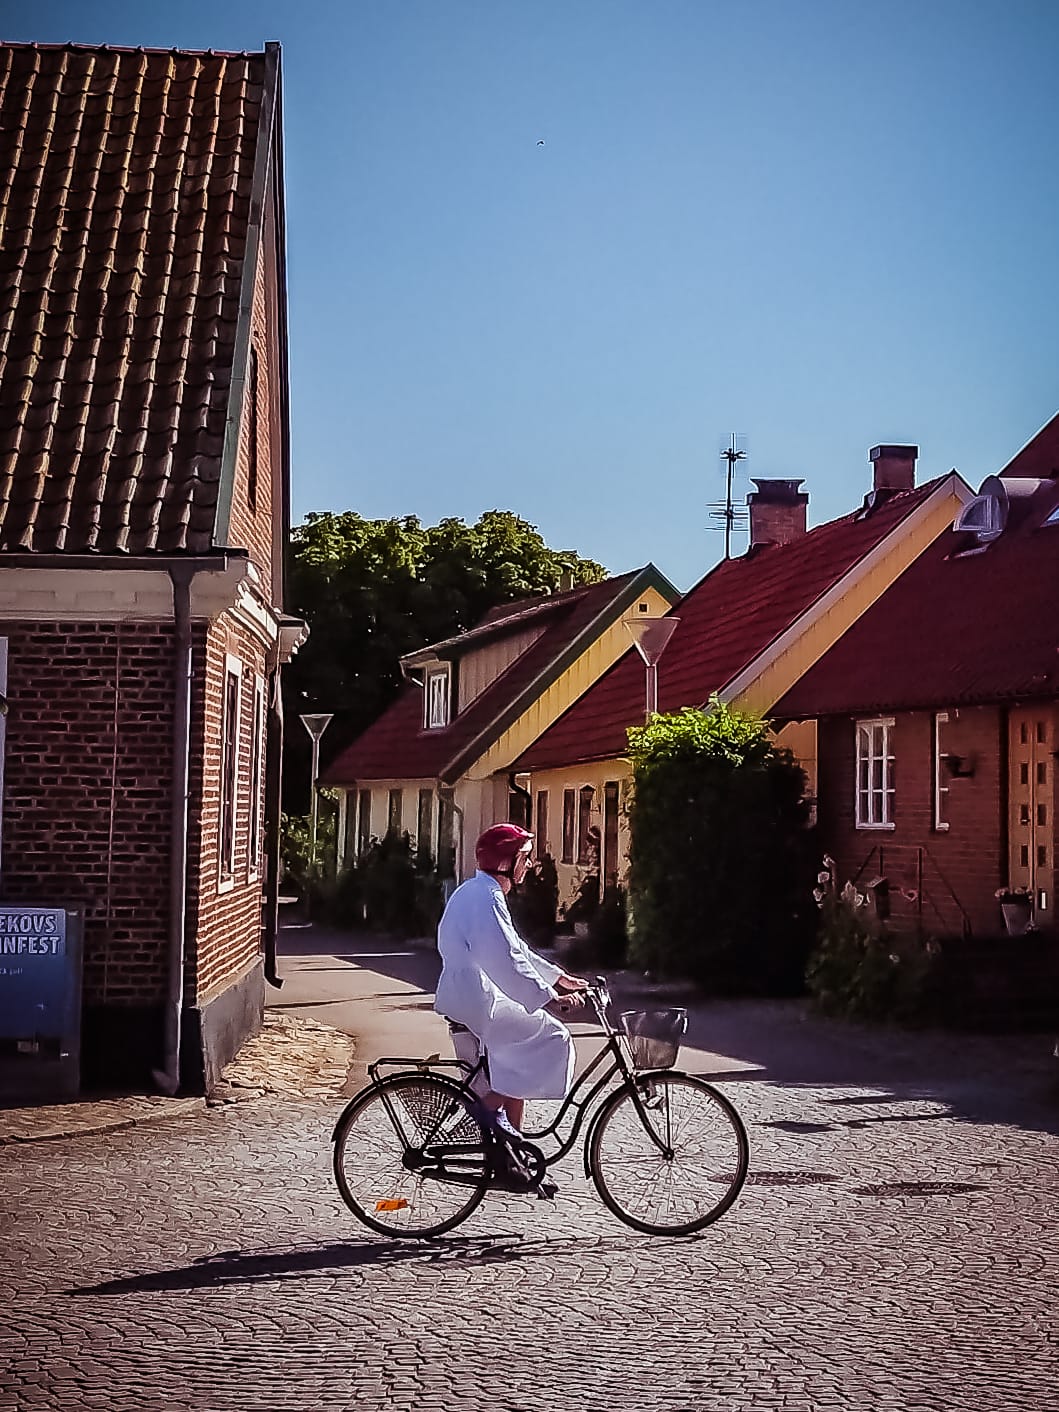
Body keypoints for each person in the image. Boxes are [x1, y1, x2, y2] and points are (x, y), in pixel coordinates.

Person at [434, 823, 588, 1143]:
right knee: (552, 1035)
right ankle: (479, 1119)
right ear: (507, 862)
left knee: (515, 1068)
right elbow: (504, 960)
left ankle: (510, 1155)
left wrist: (559, 978)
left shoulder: (480, 892)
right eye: (524, 857)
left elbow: (517, 950)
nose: (529, 864)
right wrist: (548, 999)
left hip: (474, 998)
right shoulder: (484, 898)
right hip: (477, 1002)